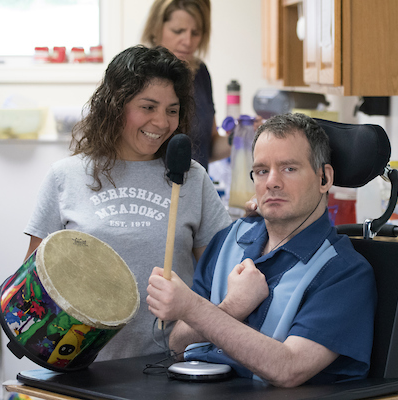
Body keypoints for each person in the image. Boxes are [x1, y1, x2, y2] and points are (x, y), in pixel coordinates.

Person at [24, 45, 232, 361]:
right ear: (115, 106)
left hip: (170, 363)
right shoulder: (66, 176)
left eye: (172, 110)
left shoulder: (193, 178)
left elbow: (221, 280)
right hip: (80, 366)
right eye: (147, 107)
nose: (161, 122)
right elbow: (32, 287)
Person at [146, 113, 377, 387]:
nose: (272, 182)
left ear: (324, 178)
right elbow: (178, 345)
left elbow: (290, 368)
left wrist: (192, 308)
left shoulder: (344, 273)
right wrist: (232, 307)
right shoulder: (228, 241)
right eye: (262, 170)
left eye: (289, 168)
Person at [141, 0, 230, 170]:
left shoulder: (200, 73)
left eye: (195, 33)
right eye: (178, 31)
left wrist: (241, 137)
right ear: (156, 28)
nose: (187, 41)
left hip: (193, 191)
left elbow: (206, 148)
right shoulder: (139, 73)